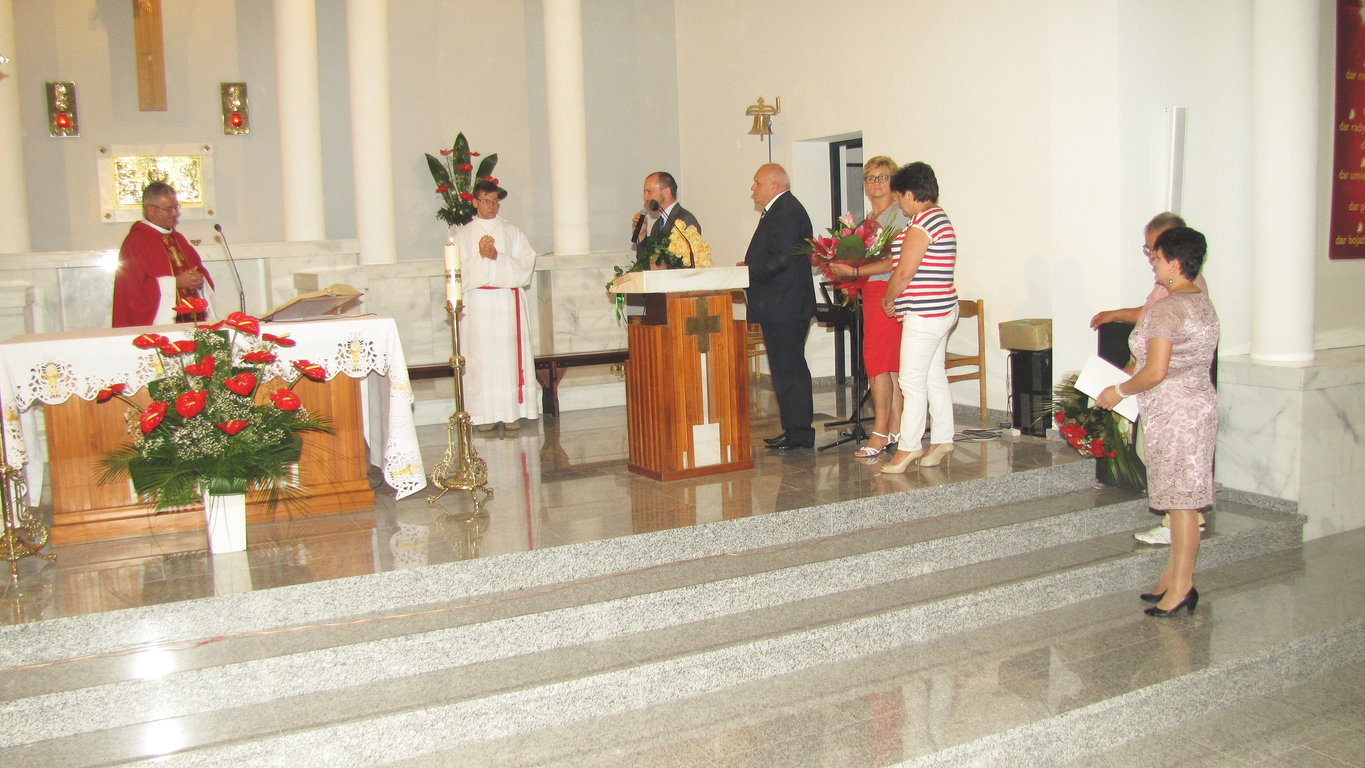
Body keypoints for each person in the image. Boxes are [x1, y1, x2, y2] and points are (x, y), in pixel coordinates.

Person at [1095, 226, 1218, 617]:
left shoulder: (1169, 308)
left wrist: (1118, 391)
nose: (1154, 263)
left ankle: (1182, 587)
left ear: (1175, 263)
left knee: (1181, 506)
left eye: (1158, 257)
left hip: (1174, 413)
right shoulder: (1200, 301)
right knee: (1182, 503)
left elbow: (1155, 371)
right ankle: (1172, 577)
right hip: (1196, 405)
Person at [879, 162, 959, 474]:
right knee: (933, 375)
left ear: (911, 194)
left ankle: (909, 445)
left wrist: (888, 299)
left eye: (900, 196)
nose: (899, 203)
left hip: (926, 313)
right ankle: (942, 439)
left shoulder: (923, 223)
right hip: (941, 308)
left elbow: (904, 272)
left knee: (911, 380)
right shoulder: (939, 217)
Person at [828, 156, 906, 457]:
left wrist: (855, 272)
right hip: (872, 294)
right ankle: (897, 429)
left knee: (879, 365)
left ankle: (880, 432)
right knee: (887, 366)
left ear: (893, 181)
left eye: (883, 176)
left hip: (888, 293)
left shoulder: (898, 215)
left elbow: (894, 261)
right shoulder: (868, 220)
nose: (876, 183)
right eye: (871, 178)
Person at [450, 179, 540, 432]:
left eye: (495, 201)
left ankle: (511, 413)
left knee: (507, 358)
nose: (492, 206)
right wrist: (480, 257)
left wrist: (498, 257)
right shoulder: (463, 235)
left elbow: (526, 265)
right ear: (475, 202)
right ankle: (484, 415)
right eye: (486, 201)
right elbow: (456, 274)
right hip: (477, 305)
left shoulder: (512, 231)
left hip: (505, 304)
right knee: (481, 359)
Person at [744, 163, 816, 451]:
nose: (753, 188)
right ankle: (793, 428)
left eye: (757, 182)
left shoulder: (786, 210)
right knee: (784, 369)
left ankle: (800, 432)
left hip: (786, 305)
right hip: (779, 304)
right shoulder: (778, 209)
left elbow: (781, 259)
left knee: (790, 369)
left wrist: (747, 272)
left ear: (774, 185)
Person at [112, 181, 214, 327]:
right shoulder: (136, 242)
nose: (175, 213)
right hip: (160, 327)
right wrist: (176, 282)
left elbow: (200, 272)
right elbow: (133, 290)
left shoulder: (178, 239)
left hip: (192, 324)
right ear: (150, 210)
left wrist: (199, 280)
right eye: (168, 209)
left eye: (176, 207)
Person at [630, 171, 701, 250]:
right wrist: (642, 235)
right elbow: (649, 257)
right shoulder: (657, 225)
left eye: (649, 192)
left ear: (666, 192)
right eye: (644, 192)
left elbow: (691, 255)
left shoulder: (686, 220)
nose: (645, 198)